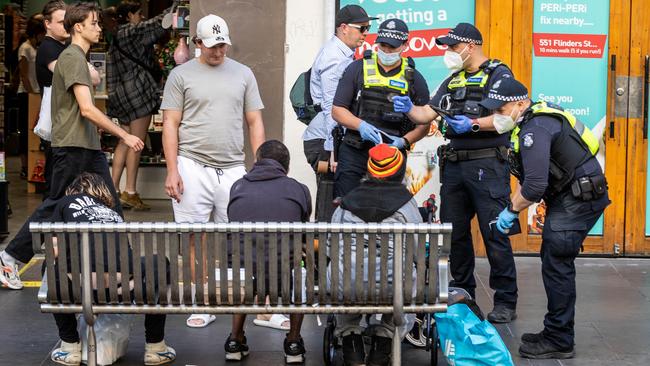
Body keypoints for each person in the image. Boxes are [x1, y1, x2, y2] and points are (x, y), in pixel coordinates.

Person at [0, 2, 143, 291]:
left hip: (85, 146)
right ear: (79, 27)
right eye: (95, 23)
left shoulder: (75, 57)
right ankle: (10, 257)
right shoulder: (73, 58)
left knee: (110, 205)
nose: (100, 28)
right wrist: (123, 135)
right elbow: (87, 109)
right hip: (73, 146)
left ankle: (122, 265)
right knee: (55, 206)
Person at [394, 22, 518, 323]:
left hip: (488, 164)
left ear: (470, 46)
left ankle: (505, 299)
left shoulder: (499, 75)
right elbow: (427, 113)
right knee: (456, 233)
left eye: (452, 46)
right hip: (455, 166)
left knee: (494, 233)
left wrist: (475, 124)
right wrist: (409, 107)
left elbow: (508, 117)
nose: (448, 52)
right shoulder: (453, 80)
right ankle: (463, 291)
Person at [482, 78, 610, 359]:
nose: (497, 116)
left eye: (500, 110)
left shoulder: (536, 128)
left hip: (579, 198)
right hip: (571, 195)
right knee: (554, 258)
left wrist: (512, 211)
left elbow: (535, 187)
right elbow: (529, 176)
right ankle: (555, 330)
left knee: (557, 260)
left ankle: (560, 338)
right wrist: (514, 205)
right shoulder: (526, 123)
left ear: (519, 103)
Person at [161, 14, 265, 328]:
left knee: (244, 236)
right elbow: (170, 123)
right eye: (211, 46)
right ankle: (202, 301)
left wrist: (259, 167)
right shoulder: (180, 75)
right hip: (191, 163)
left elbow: (255, 122)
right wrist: (171, 170)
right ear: (197, 44)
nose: (218, 51)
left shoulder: (244, 73)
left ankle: (252, 304)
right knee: (195, 236)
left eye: (222, 45)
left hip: (233, 166)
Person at [47, 173, 175, 366]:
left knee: (50, 263)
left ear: (74, 190)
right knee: (159, 261)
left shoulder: (66, 202)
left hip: (81, 287)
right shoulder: (113, 214)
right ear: (101, 191)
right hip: (120, 289)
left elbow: (54, 248)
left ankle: (70, 346)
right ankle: (155, 347)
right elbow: (124, 256)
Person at [330, 143, 420, 366]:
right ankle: (384, 341)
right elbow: (417, 251)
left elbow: (332, 247)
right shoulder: (407, 207)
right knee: (404, 275)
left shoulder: (344, 205)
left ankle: (351, 341)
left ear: (369, 170)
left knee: (343, 274)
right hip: (394, 290)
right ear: (399, 172)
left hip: (348, 288)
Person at [225, 140, 311, 363]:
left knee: (249, 270)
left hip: (244, 267)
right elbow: (303, 234)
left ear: (257, 162)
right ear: (287, 167)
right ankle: (293, 342)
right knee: (297, 276)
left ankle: (234, 339)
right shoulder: (299, 189)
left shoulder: (237, 187)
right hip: (284, 270)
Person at [331, 18, 430, 198]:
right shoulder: (357, 68)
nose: (386, 51)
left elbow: (424, 124)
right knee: (345, 204)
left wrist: (404, 142)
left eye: (392, 47)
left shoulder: (414, 78)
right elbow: (337, 110)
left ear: (405, 45)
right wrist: (360, 125)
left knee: (386, 209)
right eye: (383, 45)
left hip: (391, 155)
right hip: (355, 150)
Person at [302, 4, 377, 221]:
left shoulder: (343, 53)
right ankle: (326, 254)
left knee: (342, 203)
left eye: (368, 28)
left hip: (331, 137)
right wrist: (333, 150)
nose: (365, 34)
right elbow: (331, 108)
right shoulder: (335, 58)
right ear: (343, 28)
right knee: (331, 206)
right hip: (326, 139)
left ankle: (335, 252)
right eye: (361, 28)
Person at [108, 0, 170, 211]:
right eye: (137, 13)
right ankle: (131, 192)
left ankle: (113, 189)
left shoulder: (116, 35)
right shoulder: (131, 32)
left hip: (121, 95)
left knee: (124, 140)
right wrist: (175, 8)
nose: (140, 17)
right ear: (128, 16)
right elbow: (156, 24)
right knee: (136, 141)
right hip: (138, 94)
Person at [35, 0, 101, 198]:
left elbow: (94, 77)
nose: (66, 25)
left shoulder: (66, 50)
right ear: (47, 24)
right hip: (61, 123)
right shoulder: (50, 49)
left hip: (67, 124)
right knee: (56, 190)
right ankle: (44, 225)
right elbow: (90, 77)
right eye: (61, 21)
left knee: (63, 188)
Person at [17, 16, 45, 178]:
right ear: (36, 33)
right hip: (26, 95)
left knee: (35, 132)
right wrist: (31, 94)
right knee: (25, 131)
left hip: (37, 94)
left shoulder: (37, 47)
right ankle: (24, 166)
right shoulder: (25, 48)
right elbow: (24, 75)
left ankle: (34, 165)